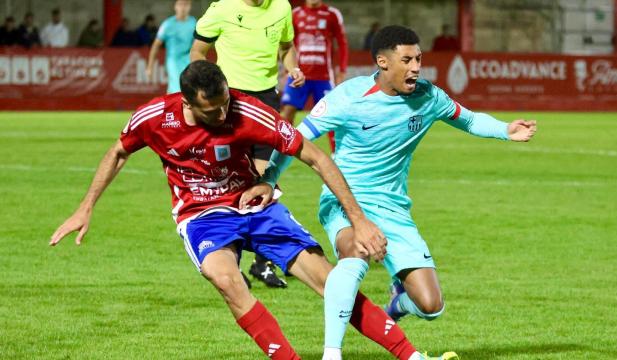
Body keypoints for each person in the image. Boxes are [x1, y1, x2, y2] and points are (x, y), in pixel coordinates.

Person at [50, 60, 429, 360]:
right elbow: (118, 152)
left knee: (331, 283)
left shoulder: (248, 112)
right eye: (210, 111)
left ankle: (410, 355)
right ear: (186, 103)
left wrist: (359, 220)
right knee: (225, 278)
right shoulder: (154, 118)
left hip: (255, 205)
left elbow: (315, 157)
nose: (221, 115)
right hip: (200, 216)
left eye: (224, 104)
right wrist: (86, 207)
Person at [250, 25, 538, 360]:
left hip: (393, 208)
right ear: (383, 62)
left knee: (431, 307)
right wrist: (269, 179)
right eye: (407, 60)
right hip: (346, 199)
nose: (416, 67)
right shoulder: (347, 97)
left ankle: (397, 300)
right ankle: (332, 353)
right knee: (355, 254)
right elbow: (294, 140)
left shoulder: (429, 97)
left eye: (419, 59)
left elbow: (469, 120)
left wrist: (506, 130)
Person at [190, 0, 305, 288]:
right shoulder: (221, 9)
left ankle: (261, 263)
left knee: (262, 180)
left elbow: (286, 47)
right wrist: (204, 90)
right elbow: (198, 50)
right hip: (229, 102)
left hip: (265, 101)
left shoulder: (281, 7)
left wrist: (292, 68)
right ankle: (232, 262)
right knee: (228, 180)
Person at [281, 0, 348, 152]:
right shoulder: (295, 14)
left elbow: (342, 44)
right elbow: (287, 44)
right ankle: (281, 151)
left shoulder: (332, 14)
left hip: (323, 77)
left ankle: (337, 154)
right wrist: (288, 70)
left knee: (331, 115)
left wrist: (342, 70)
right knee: (287, 112)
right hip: (299, 74)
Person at [146, 0, 196, 93]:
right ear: (175, 6)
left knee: (188, 89)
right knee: (177, 89)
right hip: (173, 61)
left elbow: (197, 45)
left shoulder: (193, 22)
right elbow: (156, 45)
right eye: (180, 4)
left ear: (190, 7)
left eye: (186, 5)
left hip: (188, 61)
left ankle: (171, 105)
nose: (183, 8)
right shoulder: (168, 24)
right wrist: (150, 66)